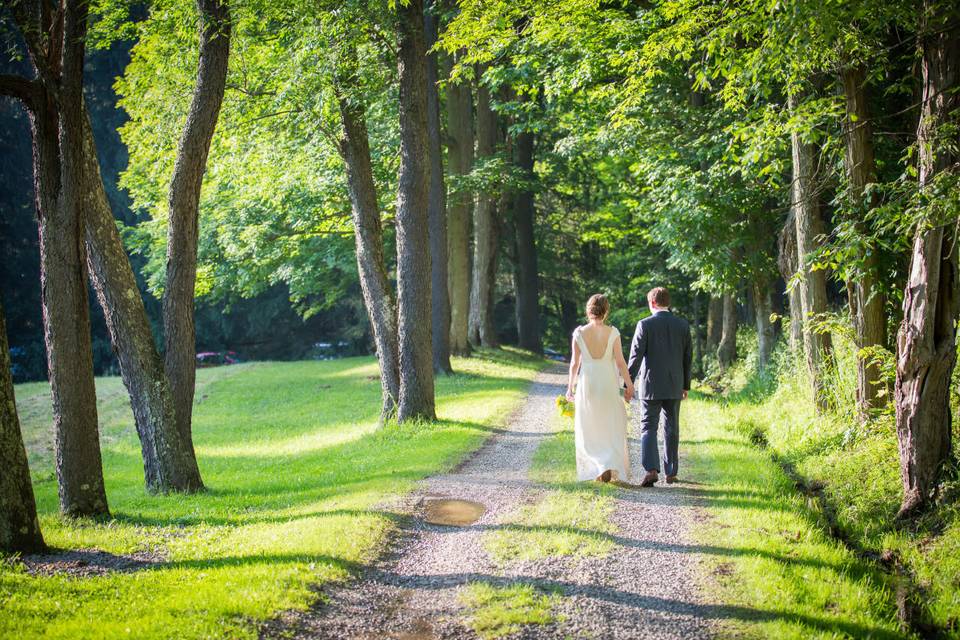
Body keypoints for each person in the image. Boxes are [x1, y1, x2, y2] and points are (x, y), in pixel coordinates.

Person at [627, 287, 692, 487]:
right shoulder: (682, 325)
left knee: (648, 426)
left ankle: (651, 469)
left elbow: (636, 356)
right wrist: (685, 385)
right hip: (674, 384)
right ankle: (671, 472)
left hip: (650, 383)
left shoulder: (644, 324)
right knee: (672, 427)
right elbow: (687, 357)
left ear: (652, 303)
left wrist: (627, 383)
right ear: (668, 303)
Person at [565, 294, 634, 483]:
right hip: (608, 383)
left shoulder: (579, 333)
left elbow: (574, 364)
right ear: (606, 310)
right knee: (611, 423)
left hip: (588, 383)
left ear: (589, 310)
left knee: (589, 425)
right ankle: (608, 463)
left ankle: (598, 464)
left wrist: (570, 387)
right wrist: (629, 384)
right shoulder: (613, 333)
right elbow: (620, 362)